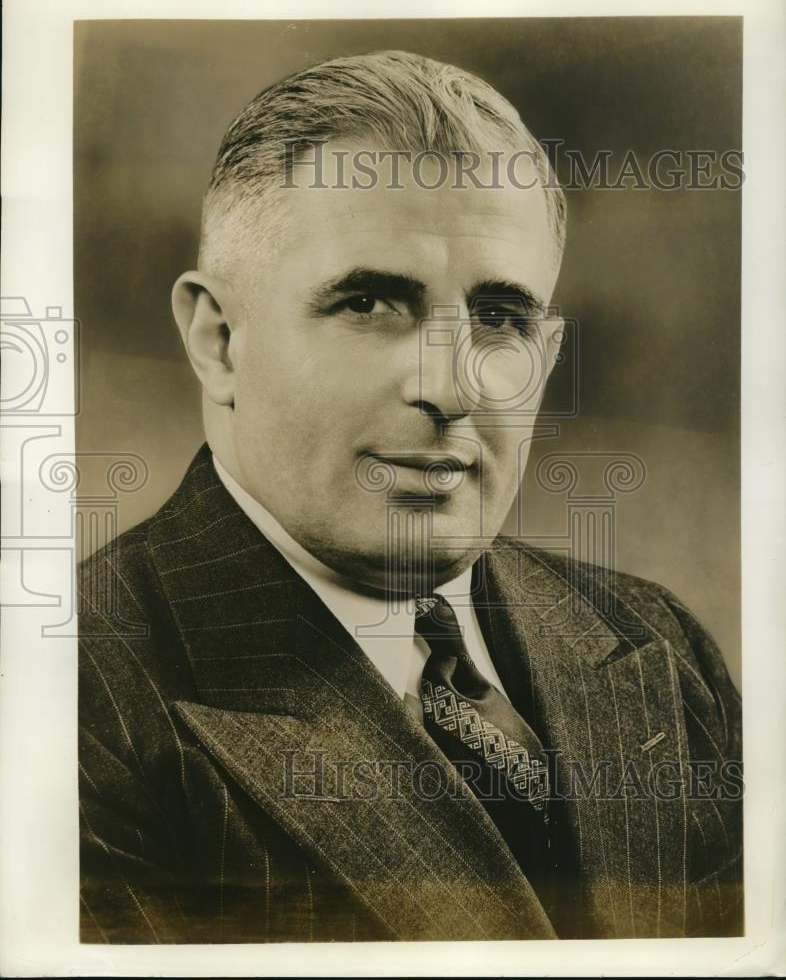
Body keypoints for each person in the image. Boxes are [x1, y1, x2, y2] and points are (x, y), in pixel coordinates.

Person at [78, 50, 742, 943]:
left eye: (501, 318)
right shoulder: (73, 703)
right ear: (220, 339)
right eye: (370, 304)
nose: (455, 386)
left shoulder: (659, 647)